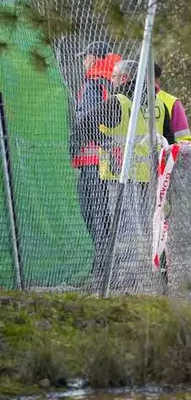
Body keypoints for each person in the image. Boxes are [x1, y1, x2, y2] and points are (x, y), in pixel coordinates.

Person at [95, 59, 168, 291]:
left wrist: (104, 144)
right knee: (149, 226)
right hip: (150, 173)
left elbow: (87, 122)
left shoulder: (119, 102)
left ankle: (129, 276)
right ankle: (154, 271)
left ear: (124, 79)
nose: (112, 81)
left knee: (124, 228)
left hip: (121, 173)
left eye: (115, 77)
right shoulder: (158, 103)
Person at [70, 41, 120, 266]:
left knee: (93, 213)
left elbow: (87, 118)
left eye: (86, 56)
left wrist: (75, 144)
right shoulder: (111, 83)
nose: (83, 61)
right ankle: (108, 263)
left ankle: (101, 265)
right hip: (107, 155)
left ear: (94, 58)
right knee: (102, 212)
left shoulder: (93, 84)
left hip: (91, 156)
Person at [154, 63, 191, 143]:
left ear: (156, 79)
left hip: (164, 154)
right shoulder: (128, 99)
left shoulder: (172, 102)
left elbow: (184, 139)